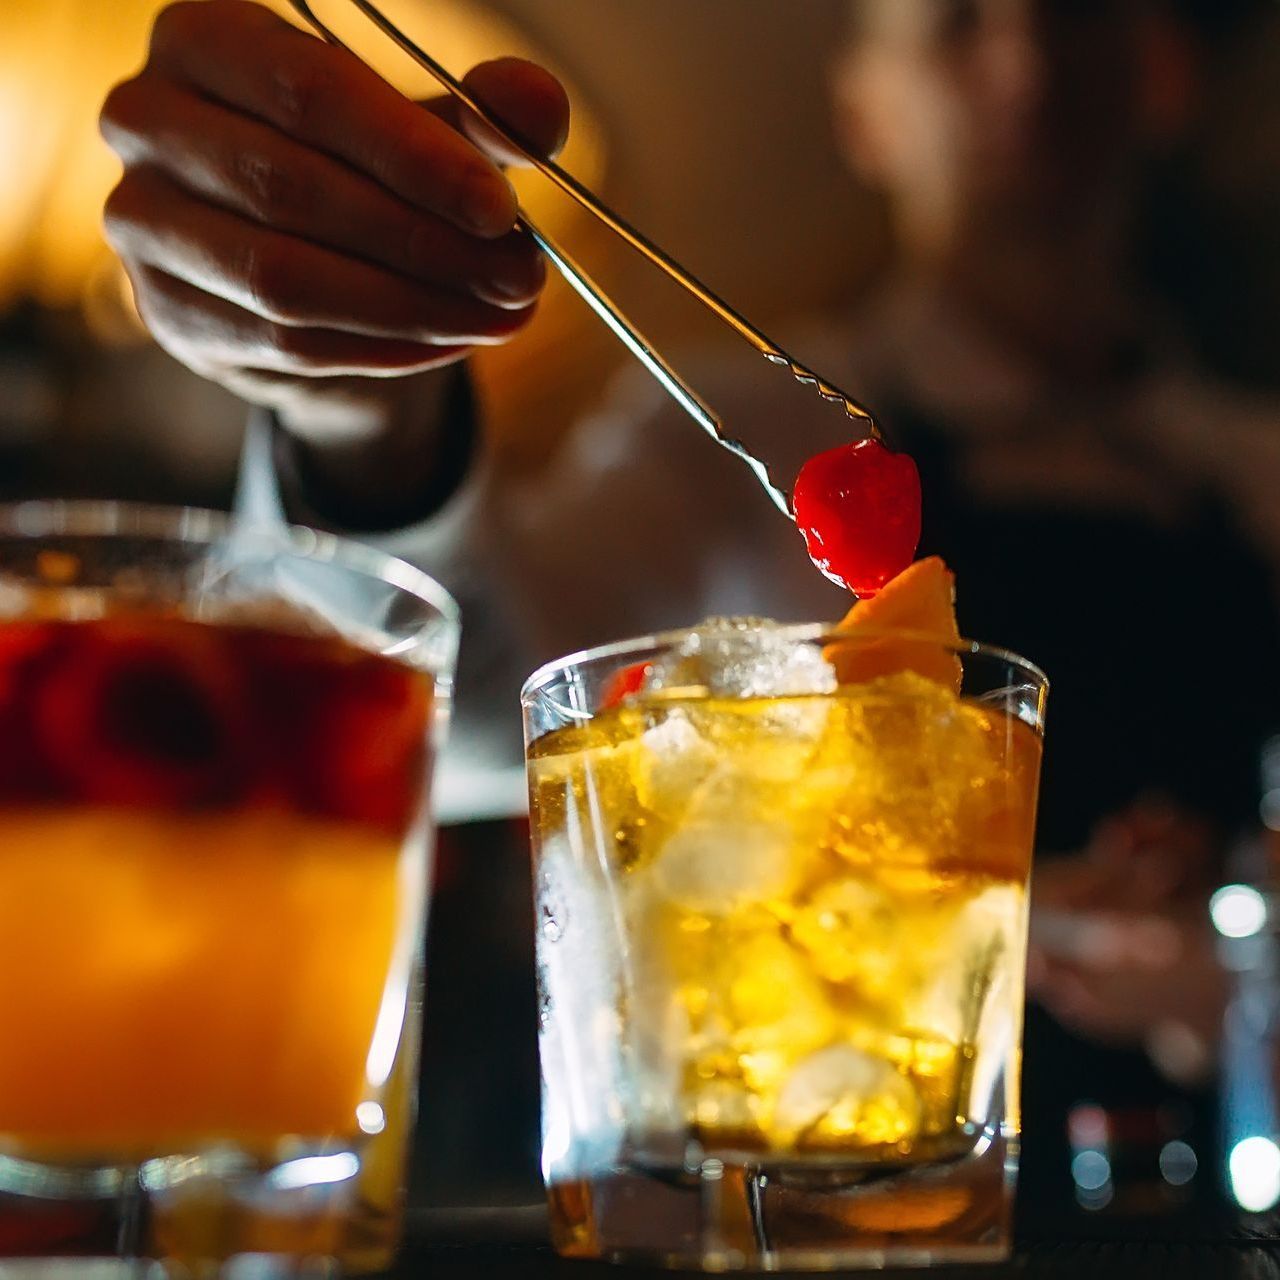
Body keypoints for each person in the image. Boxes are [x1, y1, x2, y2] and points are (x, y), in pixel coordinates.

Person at [101, 0, 1280, 1207]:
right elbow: (451, 719)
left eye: (1067, 19)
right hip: (824, 1208)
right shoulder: (731, 434)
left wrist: (1248, 961)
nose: (1026, 53)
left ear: (1161, 71)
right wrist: (358, 412)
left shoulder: (1257, 472)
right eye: (955, 21)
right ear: (861, 112)